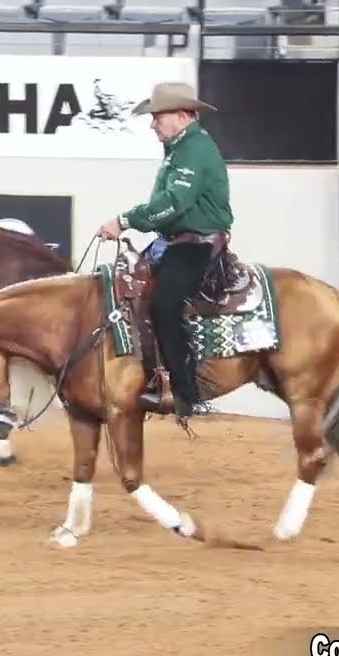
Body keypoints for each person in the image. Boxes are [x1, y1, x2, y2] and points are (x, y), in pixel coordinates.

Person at [95, 81, 234, 422]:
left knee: (165, 302)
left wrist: (124, 220)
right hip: (177, 241)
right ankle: (152, 373)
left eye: (158, 116)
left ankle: (187, 391)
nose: (153, 123)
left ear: (183, 115)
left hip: (197, 244)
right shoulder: (180, 148)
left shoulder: (194, 151)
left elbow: (173, 204)